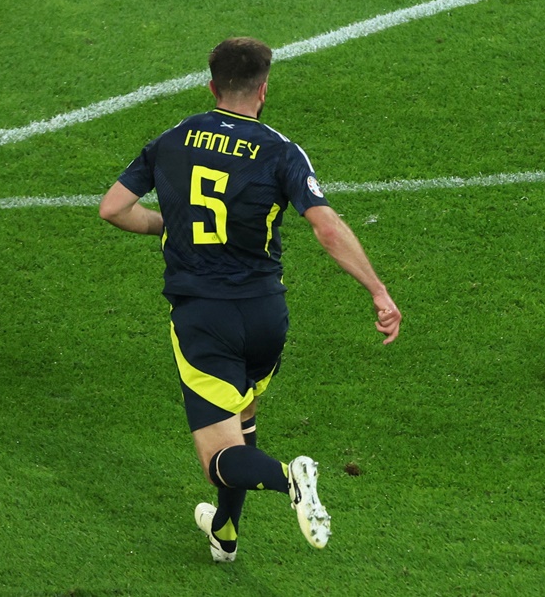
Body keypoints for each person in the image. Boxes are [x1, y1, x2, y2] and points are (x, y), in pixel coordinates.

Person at [99, 37, 402, 562]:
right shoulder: (280, 149)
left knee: (219, 457)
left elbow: (113, 209)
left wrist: (169, 227)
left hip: (204, 319)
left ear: (211, 86)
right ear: (263, 90)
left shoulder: (172, 139)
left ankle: (289, 480)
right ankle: (226, 533)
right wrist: (378, 291)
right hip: (266, 315)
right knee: (243, 415)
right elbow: (327, 227)